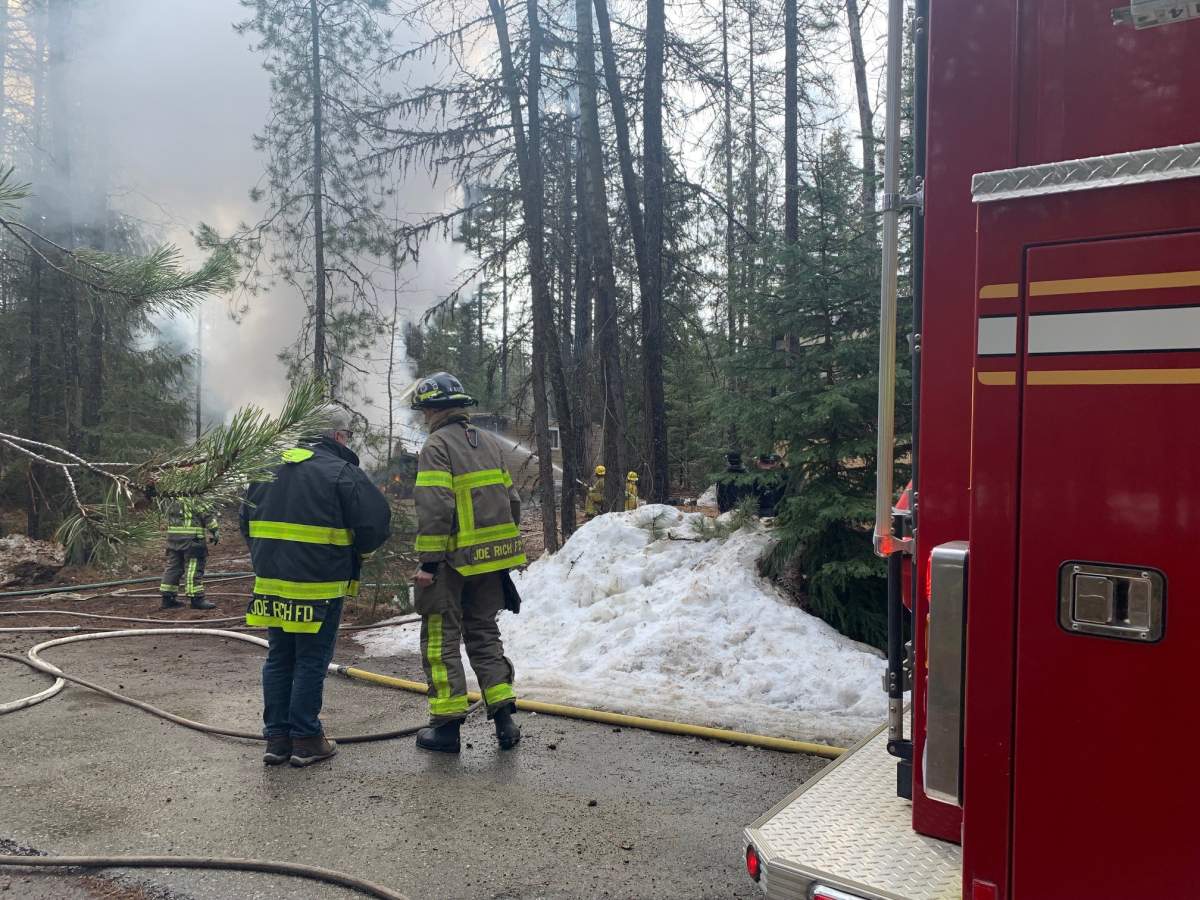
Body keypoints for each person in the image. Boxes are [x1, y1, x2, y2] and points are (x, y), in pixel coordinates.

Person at [240, 405, 391, 767]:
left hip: (271, 583)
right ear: (337, 436)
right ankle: (306, 739)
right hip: (319, 585)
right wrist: (360, 554)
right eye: (347, 435)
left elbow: (246, 522)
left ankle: (277, 740)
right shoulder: (341, 472)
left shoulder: (266, 468)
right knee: (310, 659)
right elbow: (375, 524)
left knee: (279, 656)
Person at [410, 371, 526, 754]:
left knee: (441, 637)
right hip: (490, 563)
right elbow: (512, 502)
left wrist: (429, 563)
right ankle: (505, 720)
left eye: (424, 410)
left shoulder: (436, 446)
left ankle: (446, 727)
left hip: (451, 562)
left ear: (432, 409)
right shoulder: (491, 443)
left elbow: (435, 506)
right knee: (483, 632)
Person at [159, 499, 219, 610]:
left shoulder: (172, 497)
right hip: (192, 541)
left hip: (173, 540)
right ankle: (196, 599)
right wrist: (215, 530)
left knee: (173, 568)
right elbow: (206, 514)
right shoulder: (196, 496)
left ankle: (167, 599)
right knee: (193, 569)